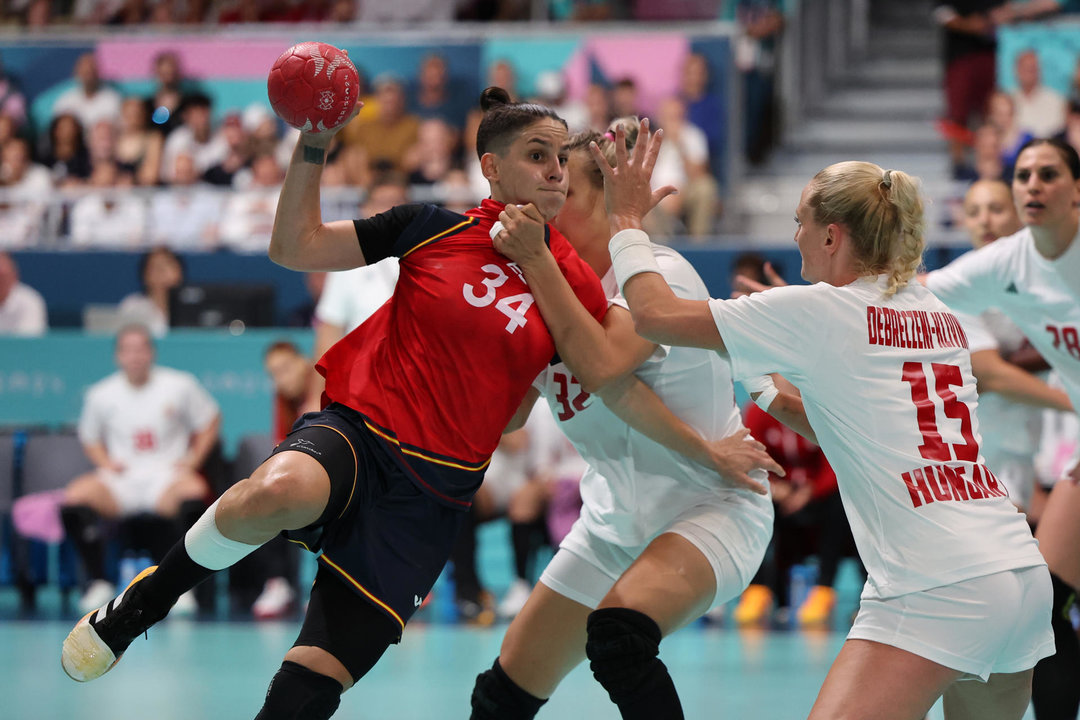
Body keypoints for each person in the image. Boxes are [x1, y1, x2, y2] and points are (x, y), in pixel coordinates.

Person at [59, 87, 613, 719]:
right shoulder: (433, 228)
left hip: (435, 493)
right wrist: (314, 143)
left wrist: (534, 271)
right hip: (361, 432)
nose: (554, 172)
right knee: (277, 490)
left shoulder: (576, 282)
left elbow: (551, 391)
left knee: (313, 683)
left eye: (561, 160)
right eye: (538, 155)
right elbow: (295, 247)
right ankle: (143, 604)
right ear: (491, 167)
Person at [609, 135, 1053, 719]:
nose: (794, 236)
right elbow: (848, 429)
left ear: (831, 235)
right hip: (1017, 571)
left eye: (800, 221)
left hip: (935, 581)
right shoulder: (932, 310)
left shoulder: (817, 308)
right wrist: (767, 375)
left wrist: (625, 220)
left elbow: (654, 314)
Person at [469, 118, 791, 720]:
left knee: (620, 640)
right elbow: (510, 417)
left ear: (608, 200)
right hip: (613, 519)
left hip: (713, 507)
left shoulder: (657, 277)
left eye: (564, 190)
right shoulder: (544, 289)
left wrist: (535, 266)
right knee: (501, 692)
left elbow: (604, 365)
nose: (547, 201)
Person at [921, 138, 1080, 720]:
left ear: (1077, 189)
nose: (1033, 184)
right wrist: (807, 307)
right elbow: (911, 297)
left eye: (1049, 174)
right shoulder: (1009, 262)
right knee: (1048, 602)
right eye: (1024, 174)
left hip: (1020, 457)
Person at [61, 324, 220, 613]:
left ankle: (181, 585)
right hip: (122, 479)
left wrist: (192, 462)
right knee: (76, 496)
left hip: (166, 477)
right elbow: (90, 437)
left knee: (194, 490)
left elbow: (210, 419)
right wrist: (105, 463)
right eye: (128, 350)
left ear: (151, 353)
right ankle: (98, 581)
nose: (135, 356)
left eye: (141, 349)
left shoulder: (179, 384)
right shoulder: (101, 393)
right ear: (118, 356)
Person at [116, 247, 185, 337]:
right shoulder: (132, 306)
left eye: (167, 265)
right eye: (155, 267)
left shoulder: (191, 307)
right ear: (145, 275)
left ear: (179, 272)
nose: (161, 272)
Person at [0, 251, 46, 335]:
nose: (1, 283)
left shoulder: (30, 300)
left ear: (14, 276)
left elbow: (28, 340)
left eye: (3, 277)